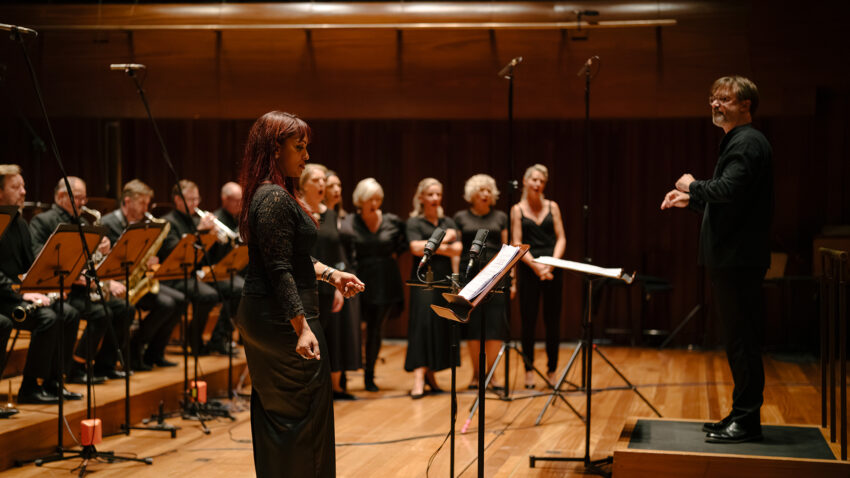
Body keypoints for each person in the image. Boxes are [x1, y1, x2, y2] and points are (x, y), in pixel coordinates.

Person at [235, 111, 364, 477]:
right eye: (299, 147)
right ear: (275, 149)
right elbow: (280, 270)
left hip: (267, 315)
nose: (306, 157)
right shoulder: (274, 197)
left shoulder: (268, 193)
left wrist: (333, 274)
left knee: (283, 420)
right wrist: (301, 326)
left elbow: (292, 257)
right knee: (304, 419)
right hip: (282, 321)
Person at [661, 75, 773, 444]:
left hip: (738, 258)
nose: (715, 104)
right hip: (733, 256)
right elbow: (731, 203)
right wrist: (691, 202)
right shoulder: (737, 140)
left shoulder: (746, 143)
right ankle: (740, 414)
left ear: (746, 105)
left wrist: (690, 185)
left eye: (725, 98)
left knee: (742, 339)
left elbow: (726, 190)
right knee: (737, 338)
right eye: (712, 98)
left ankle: (746, 420)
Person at [29, 176, 132, 382]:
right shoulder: (43, 221)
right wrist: (75, 272)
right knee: (99, 313)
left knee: (124, 308)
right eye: (79, 198)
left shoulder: (84, 222)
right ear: (61, 197)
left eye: (85, 198)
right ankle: (74, 368)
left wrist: (102, 250)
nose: (84, 203)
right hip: (61, 289)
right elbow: (39, 257)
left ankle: (104, 365)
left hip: (82, 287)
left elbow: (92, 261)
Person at [0, 165, 80, 404]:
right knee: (48, 319)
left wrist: (45, 286)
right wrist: (22, 295)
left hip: (18, 295)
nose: (24, 192)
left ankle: (53, 381)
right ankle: (30, 387)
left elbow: (30, 267)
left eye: (23, 186)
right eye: (16, 187)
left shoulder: (20, 223)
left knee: (69, 314)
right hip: (3, 298)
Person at [101, 179, 185, 370]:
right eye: (142, 203)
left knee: (180, 300)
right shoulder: (108, 223)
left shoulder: (143, 224)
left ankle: (153, 353)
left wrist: (149, 260)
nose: (146, 208)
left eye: (148, 203)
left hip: (137, 281)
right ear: (128, 201)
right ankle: (134, 347)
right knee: (166, 304)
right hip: (116, 284)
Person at [300, 164, 361, 400]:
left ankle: (324, 389)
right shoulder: (299, 211)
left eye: (323, 181)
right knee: (309, 338)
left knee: (325, 337)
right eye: (316, 180)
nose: (322, 184)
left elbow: (336, 255)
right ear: (304, 184)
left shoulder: (331, 214)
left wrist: (337, 286)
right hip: (305, 285)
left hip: (328, 286)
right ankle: (307, 390)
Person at [157, 180, 236, 356]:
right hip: (172, 275)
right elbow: (173, 252)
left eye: (196, 199)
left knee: (228, 289)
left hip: (194, 273)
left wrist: (213, 239)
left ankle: (207, 338)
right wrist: (200, 232)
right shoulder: (168, 222)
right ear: (177, 199)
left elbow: (206, 259)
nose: (195, 203)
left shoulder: (195, 220)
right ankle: (194, 340)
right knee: (208, 295)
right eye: (190, 199)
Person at [347, 177, 407, 392]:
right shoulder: (350, 222)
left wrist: (393, 254)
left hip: (384, 280)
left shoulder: (392, 221)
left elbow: (404, 242)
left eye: (377, 198)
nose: (374, 203)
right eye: (369, 199)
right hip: (358, 279)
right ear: (359, 200)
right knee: (352, 328)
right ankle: (343, 375)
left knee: (375, 330)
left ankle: (369, 376)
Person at [405, 178, 462, 398]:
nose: (435, 198)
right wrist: (444, 241)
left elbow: (457, 249)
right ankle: (419, 377)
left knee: (438, 325)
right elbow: (415, 248)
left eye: (438, 194)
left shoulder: (448, 220)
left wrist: (432, 245)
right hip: (422, 280)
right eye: (430, 194)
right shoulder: (414, 222)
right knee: (422, 325)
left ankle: (431, 374)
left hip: (443, 280)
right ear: (421, 197)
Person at [510, 164, 566, 389]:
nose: (537, 184)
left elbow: (561, 237)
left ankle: (552, 370)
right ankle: (528, 370)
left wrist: (550, 265)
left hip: (552, 268)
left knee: (553, 321)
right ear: (525, 181)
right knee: (528, 322)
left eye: (541, 181)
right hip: (529, 267)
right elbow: (516, 242)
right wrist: (536, 267)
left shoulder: (553, 207)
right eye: (533, 180)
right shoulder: (517, 209)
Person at [453, 174, 509, 390]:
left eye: (488, 190)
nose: (485, 194)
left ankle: (492, 375)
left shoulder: (501, 217)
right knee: (474, 328)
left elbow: (508, 248)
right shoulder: (460, 217)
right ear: (472, 194)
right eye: (481, 190)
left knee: (495, 327)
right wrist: (456, 280)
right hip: (469, 277)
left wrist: (512, 281)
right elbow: (457, 251)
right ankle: (477, 374)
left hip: (496, 277)